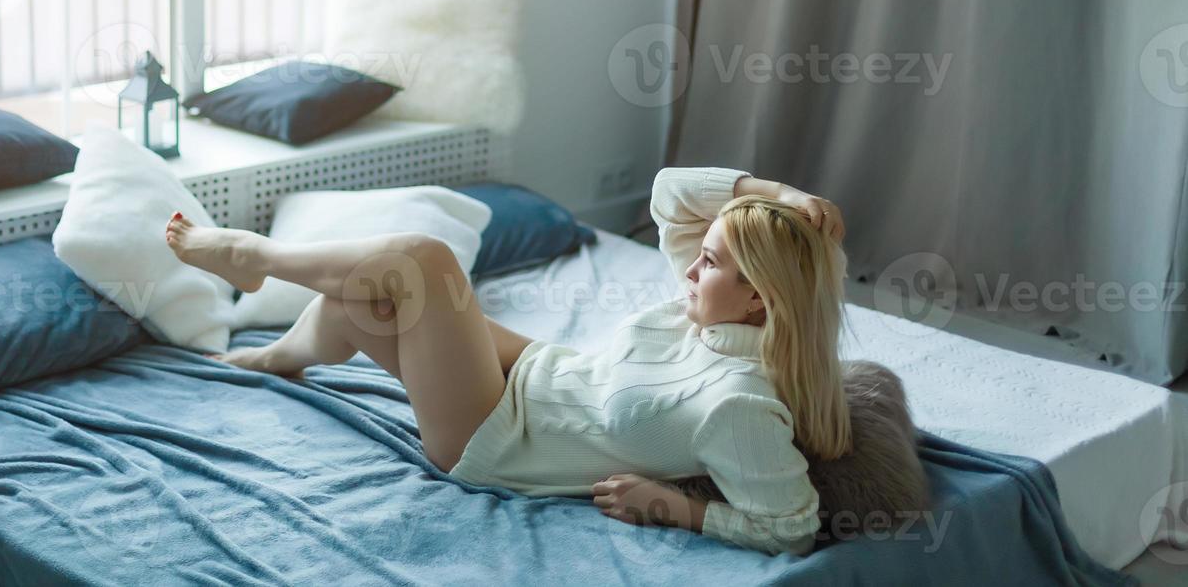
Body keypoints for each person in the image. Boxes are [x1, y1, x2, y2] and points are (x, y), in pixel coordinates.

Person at [166, 166, 849, 555]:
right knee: (367, 298)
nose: (692, 266)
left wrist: (676, 508)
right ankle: (278, 359)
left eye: (712, 261)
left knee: (425, 263)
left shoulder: (736, 403)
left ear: (760, 300)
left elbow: (790, 527)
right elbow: (670, 192)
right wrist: (780, 195)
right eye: (701, 255)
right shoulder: (709, 309)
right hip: (533, 372)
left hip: (493, 434)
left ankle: (253, 259)